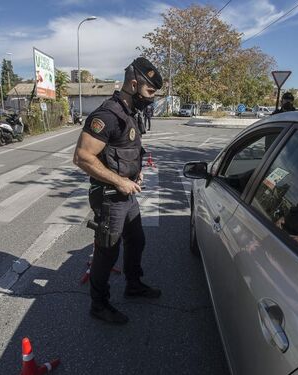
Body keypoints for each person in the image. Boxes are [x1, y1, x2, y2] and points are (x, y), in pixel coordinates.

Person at [73, 57, 163, 325]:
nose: (152, 98)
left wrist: (136, 171)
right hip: (110, 196)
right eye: (149, 92)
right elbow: (82, 157)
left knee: (137, 240)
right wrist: (120, 181)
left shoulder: (129, 113)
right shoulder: (107, 115)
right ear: (134, 84)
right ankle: (98, 305)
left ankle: (133, 285)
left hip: (126, 192)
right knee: (107, 251)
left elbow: (125, 148)